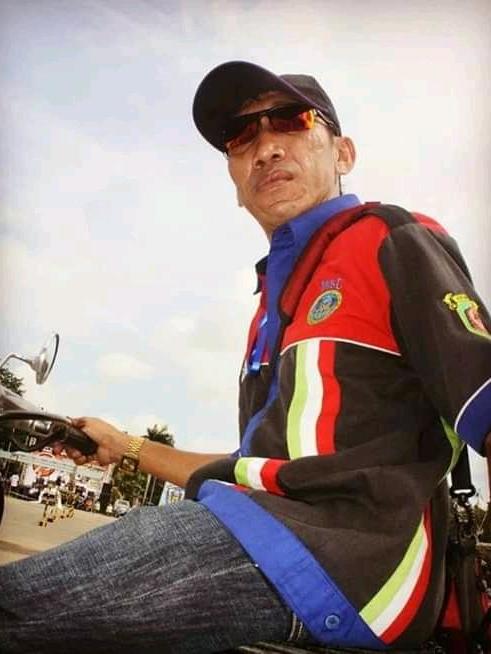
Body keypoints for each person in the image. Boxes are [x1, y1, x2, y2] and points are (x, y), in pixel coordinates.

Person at [1, 60, 490, 654]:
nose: (265, 148)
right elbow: (253, 468)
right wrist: (123, 444)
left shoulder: (389, 239)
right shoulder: (271, 305)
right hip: (261, 529)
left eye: (291, 120)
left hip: (346, 564)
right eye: (241, 136)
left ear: (343, 153)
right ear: (234, 178)